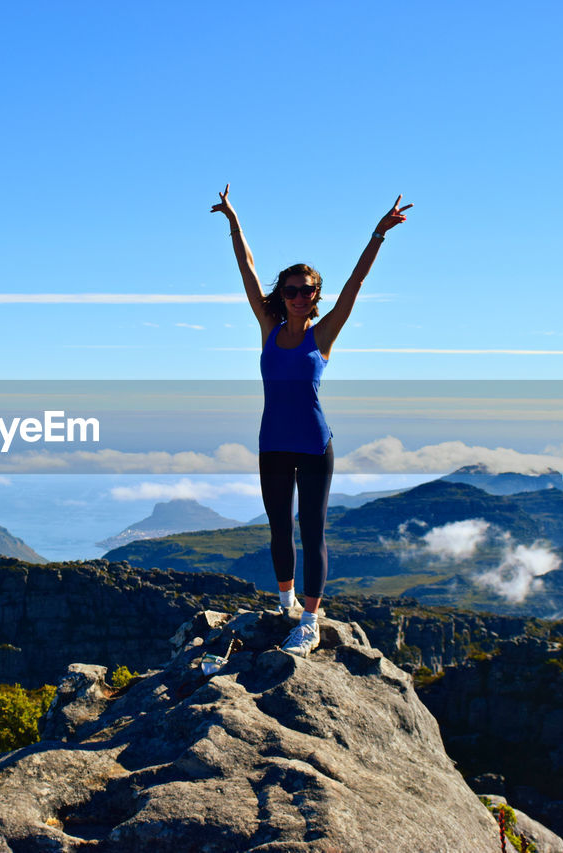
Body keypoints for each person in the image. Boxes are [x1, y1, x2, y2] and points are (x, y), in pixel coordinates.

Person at [211, 184, 412, 656]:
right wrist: (235, 223)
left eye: (308, 290)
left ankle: (309, 619)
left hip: (315, 445)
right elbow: (247, 269)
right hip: (273, 444)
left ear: (316, 294)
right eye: (292, 290)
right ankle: (285, 603)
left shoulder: (323, 335)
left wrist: (377, 236)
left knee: (312, 530)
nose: (301, 296)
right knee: (279, 527)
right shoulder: (269, 329)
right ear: (281, 294)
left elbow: (356, 285)